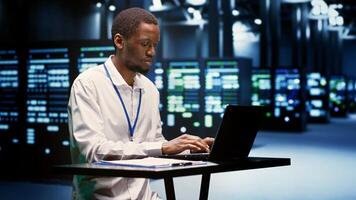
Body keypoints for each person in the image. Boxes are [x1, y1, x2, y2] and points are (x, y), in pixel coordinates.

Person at [68, 7, 214, 200]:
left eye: (155, 44)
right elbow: (94, 152)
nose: (152, 52)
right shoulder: (88, 84)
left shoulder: (149, 89)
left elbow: (156, 144)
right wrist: (162, 147)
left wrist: (190, 148)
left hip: (143, 196)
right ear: (119, 41)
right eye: (145, 44)